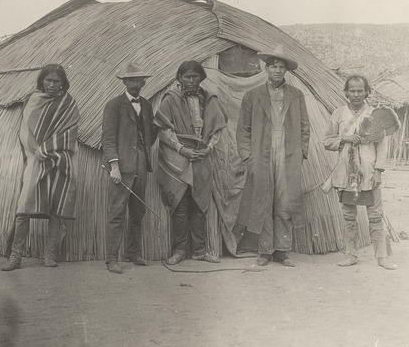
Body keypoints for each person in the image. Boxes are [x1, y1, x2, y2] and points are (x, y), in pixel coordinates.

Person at [235, 47, 310, 267]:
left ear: (286, 71)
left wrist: (301, 152)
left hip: (288, 154)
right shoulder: (252, 96)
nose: (277, 70)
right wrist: (249, 157)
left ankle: (282, 250)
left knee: (285, 202)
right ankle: (265, 251)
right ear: (265, 68)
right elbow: (243, 129)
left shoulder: (296, 95)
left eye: (281, 67)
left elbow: (305, 126)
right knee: (263, 201)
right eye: (273, 66)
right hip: (262, 153)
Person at [1, 64, 80, 271]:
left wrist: (49, 150)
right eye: (48, 81)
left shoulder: (68, 104)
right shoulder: (32, 101)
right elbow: (24, 132)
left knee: (56, 209)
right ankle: (16, 256)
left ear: (63, 84)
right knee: (23, 209)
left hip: (59, 161)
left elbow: (69, 133)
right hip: (35, 160)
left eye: (56, 81)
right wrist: (38, 151)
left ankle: (49, 254)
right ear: (41, 81)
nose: (52, 85)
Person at [154, 60, 227, 265]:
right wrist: (182, 149)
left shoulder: (209, 99)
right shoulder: (170, 100)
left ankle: (199, 250)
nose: (191, 80)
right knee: (180, 203)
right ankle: (179, 251)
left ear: (201, 78)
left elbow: (217, 128)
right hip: (178, 156)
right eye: (187, 77)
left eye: (195, 77)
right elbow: (164, 129)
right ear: (179, 79)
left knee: (199, 203)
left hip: (202, 156)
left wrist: (208, 148)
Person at [323, 75, 397, 270]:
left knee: (375, 215)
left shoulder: (375, 114)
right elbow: (327, 141)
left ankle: (382, 256)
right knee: (349, 216)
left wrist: (379, 171)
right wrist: (345, 138)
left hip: (369, 172)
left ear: (366, 92)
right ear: (346, 93)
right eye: (352, 91)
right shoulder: (338, 114)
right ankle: (351, 254)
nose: (356, 95)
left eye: (360, 91)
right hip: (346, 174)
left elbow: (381, 146)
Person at [101, 62, 158, 274]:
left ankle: (133, 253)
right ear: (124, 82)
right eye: (131, 80)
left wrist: (141, 154)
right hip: (121, 167)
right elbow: (107, 138)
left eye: (139, 81)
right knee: (117, 212)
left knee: (138, 210)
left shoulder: (147, 105)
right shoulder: (114, 105)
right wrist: (114, 165)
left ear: (144, 83)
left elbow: (150, 133)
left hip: (140, 165)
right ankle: (111, 259)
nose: (135, 84)